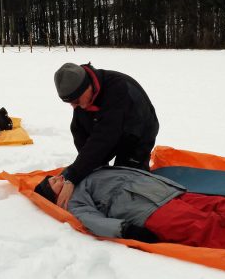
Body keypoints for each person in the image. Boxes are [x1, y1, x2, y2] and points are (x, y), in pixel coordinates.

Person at [34, 167, 225, 258]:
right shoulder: (75, 201)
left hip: (171, 193)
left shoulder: (85, 172)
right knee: (213, 229)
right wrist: (125, 230)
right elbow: (90, 221)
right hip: (148, 212)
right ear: (55, 198)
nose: (59, 178)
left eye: (56, 176)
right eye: (54, 183)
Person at [53, 62, 159, 209]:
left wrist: (73, 178)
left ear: (87, 86)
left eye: (76, 101)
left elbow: (104, 138)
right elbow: (80, 132)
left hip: (138, 131)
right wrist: (83, 170)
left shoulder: (117, 89)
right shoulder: (83, 95)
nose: (74, 106)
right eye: (70, 103)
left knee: (127, 181)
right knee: (96, 171)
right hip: (109, 128)